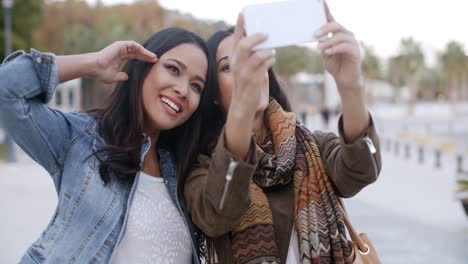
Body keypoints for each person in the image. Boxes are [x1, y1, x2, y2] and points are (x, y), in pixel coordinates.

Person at [184, 3, 382, 264]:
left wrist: (350, 87)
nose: (248, 71)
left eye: (253, 59)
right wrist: (242, 109)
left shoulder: (310, 146)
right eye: (229, 67)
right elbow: (219, 211)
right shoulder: (203, 169)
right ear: (213, 94)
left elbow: (361, 170)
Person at [0, 27, 214, 263]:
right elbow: (6, 90)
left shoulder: (186, 168)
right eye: (173, 69)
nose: (183, 90)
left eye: (196, 86)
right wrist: (92, 63)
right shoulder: (82, 139)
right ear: (143, 65)